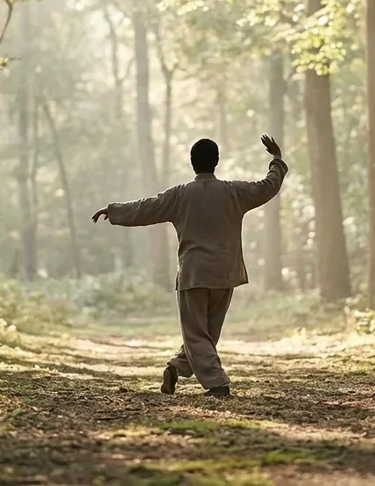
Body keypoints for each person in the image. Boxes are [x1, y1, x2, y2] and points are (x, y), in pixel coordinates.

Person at [92, 135, 288, 397]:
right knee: (206, 335)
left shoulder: (180, 195)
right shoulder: (233, 192)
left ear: (192, 162)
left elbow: (146, 208)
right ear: (216, 161)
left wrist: (114, 211)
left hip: (194, 274)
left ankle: (218, 384)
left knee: (196, 335)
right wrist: (276, 160)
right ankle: (177, 367)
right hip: (225, 274)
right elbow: (267, 187)